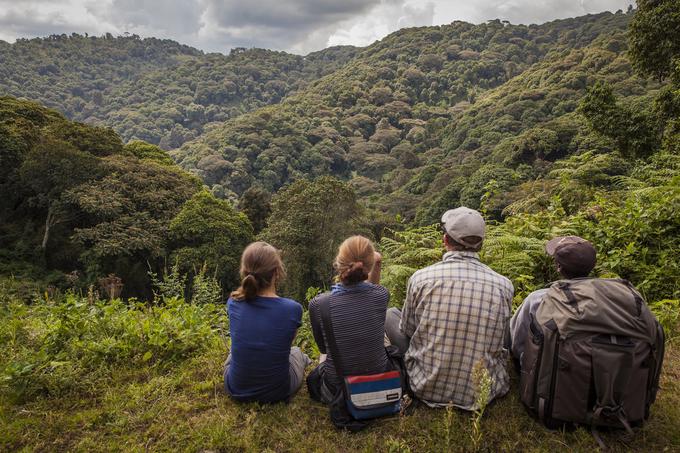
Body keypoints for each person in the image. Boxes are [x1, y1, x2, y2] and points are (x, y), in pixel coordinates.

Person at [385, 207, 514, 410]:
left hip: (423, 386)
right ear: (480, 244)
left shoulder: (421, 278)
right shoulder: (504, 285)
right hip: (482, 391)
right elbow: (502, 337)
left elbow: (408, 331)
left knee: (390, 314)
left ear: (445, 240)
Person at [306, 235, 392, 404]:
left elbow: (323, 347)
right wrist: (377, 263)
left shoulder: (319, 304)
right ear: (369, 266)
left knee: (326, 354)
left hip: (337, 391)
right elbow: (372, 290)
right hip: (378, 386)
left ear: (338, 263)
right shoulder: (382, 295)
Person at [224, 241, 311, 403]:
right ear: (277, 272)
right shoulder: (292, 309)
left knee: (232, 354)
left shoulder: (233, 302)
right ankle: (306, 360)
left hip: (235, 388)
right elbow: (286, 344)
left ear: (244, 271)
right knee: (296, 352)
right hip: (278, 392)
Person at [508, 235, 597, 362]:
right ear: (593, 265)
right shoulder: (610, 299)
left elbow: (517, 345)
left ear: (559, 267)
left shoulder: (538, 299)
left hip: (549, 376)